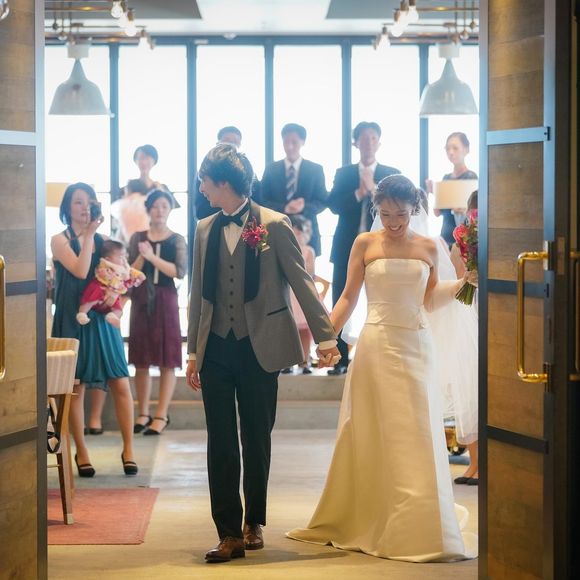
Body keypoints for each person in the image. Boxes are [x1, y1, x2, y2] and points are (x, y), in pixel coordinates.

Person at [287, 174, 477, 562]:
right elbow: (347, 297)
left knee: (416, 430)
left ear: (414, 209)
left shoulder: (428, 246)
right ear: (377, 209)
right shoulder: (364, 243)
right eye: (386, 214)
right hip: (375, 344)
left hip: (416, 345)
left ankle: (418, 520)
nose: (393, 222)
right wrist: (327, 337)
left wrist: (463, 283)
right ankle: (370, 513)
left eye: (401, 215)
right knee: (370, 428)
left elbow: (429, 300)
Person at [186, 143, 339, 564]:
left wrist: (326, 339)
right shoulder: (203, 229)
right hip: (216, 348)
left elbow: (302, 281)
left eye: (204, 180)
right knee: (220, 441)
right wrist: (193, 351)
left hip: (261, 347)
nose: (201, 188)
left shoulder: (274, 224)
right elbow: (198, 293)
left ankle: (253, 521)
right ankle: (228, 533)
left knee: (256, 437)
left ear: (223, 183)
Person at [51, 183, 138, 477]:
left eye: (89, 201)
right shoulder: (58, 240)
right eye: (78, 202)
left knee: (120, 381)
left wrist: (117, 304)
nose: (84, 207)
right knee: (76, 387)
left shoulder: (106, 242)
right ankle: (82, 452)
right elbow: (79, 270)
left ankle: (129, 449)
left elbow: (123, 277)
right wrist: (88, 235)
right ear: (67, 207)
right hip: (72, 318)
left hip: (101, 319)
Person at [326, 121, 399, 374]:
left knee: (383, 299)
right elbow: (333, 205)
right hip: (346, 247)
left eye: (373, 138)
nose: (368, 143)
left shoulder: (391, 173)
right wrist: (359, 192)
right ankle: (338, 359)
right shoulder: (344, 173)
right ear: (356, 143)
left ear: (379, 142)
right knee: (341, 298)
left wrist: (374, 190)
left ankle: (383, 356)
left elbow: (400, 207)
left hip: (383, 247)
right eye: (364, 138)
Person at [129, 190, 187, 435]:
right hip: (142, 298)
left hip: (166, 298)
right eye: (156, 206)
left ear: (170, 210)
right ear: (149, 209)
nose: (160, 210)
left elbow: (179, 272)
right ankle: (143, 413)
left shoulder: (177, 239)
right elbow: (130, 271)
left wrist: (152, 256)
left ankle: (161, 414)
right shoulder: (137, 237)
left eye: (164, 206)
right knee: (141, 359)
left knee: (167, 358)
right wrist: (143, 257)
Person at [260, 123, 328, 257]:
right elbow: (262, 200)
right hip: (275, 231)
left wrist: (303, 207)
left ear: (303, 142)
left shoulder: (315, 169)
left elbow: (323, 201)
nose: (289, 146)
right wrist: (285, 208)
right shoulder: (271, 169)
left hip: (307, 233)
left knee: (306, 269)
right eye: (286, 142)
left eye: (294, 142)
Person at [194, 126, 261, 220]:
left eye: (235, 142)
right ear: (218, 144)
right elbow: (200, 211)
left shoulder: (250, 173)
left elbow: (258, 203)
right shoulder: (205, 172)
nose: (231, 145)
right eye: (227, 140)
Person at [76, 239, 145, 328]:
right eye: (120, 257)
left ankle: (113, 316)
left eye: (125, 256)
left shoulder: (124, 268)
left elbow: (130, 275)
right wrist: (110, 277)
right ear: (108, 259)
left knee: (119, 309)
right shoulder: (105, 265)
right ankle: (82, 313)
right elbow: (102, 274)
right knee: (90, 300)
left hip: (114, 293)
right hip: (100, 288)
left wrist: (139, 276)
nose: (124, 260)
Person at [428, 132, 478, 248]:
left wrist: (461, 208)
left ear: (466, 150)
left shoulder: (471, 177)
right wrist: (434, 193)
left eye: (455, 148)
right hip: (445, 237)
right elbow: (437, 213)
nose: (451, 152)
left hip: (462, 239)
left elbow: (473, 213)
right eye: (448, 148)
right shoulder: (446, 178)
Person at [281, 214, 317, 374]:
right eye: (294, 232)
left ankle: (304, 361)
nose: (297, 236)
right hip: (287, 293)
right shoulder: (284, 249)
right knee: (288, 329)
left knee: (304, 331)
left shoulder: (308, 251)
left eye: (300, 232)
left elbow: (310, 272)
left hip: (302, 294)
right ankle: (287, 362)